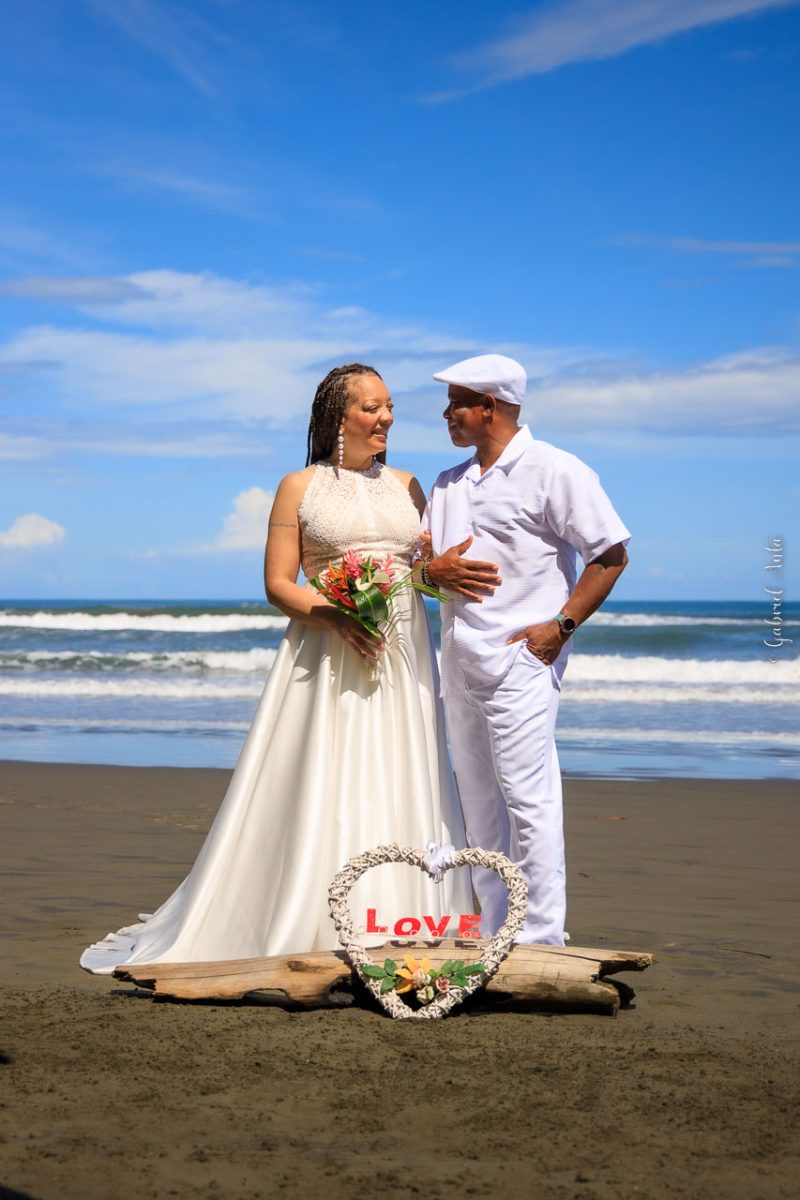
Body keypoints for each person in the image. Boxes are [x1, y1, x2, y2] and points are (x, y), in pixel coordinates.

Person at [80, 363, 472, 975]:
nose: (386, 417)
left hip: (401, 651)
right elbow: (277, 584)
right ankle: (309, 914)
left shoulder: (409, 485)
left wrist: (431, 577)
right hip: (326, 648)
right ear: (337, 417)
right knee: (327, 773)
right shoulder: (298, 486)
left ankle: (404, 916)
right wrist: (338, 616)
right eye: (371, 407)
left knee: (403, 764)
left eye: (389, 406)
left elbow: (419, 575)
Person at [421, 354, 630, 948]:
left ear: (490, 406)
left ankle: (540, 937)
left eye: (458, 402)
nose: (447, 413)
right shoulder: (448, 482)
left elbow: (610, 554)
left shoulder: (556, 470)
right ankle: (493, 929)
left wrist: (559, 627)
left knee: (527, 799)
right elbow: (424, 571)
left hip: (522, 660)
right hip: (459, 662)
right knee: (479, 802)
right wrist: (429, 571)